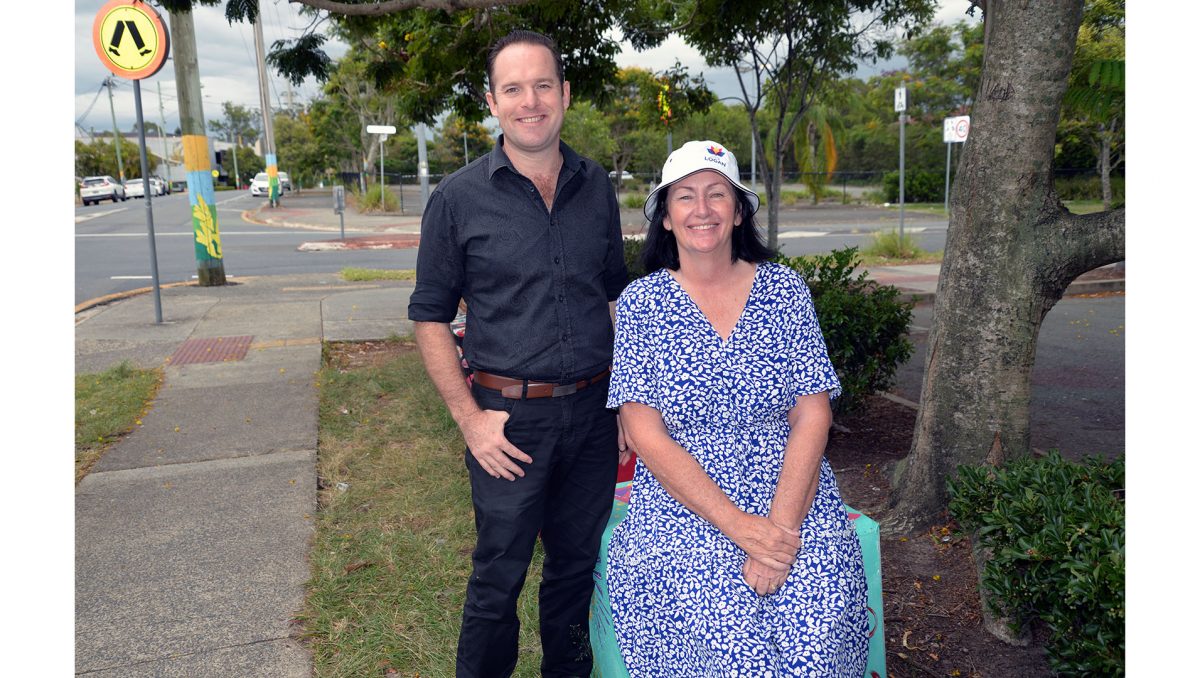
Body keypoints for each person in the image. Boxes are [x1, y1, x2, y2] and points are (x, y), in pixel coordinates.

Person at [407, 30, 630, 678]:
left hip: (592, 419)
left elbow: (613, 299)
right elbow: (428, 314)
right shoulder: (457, 199)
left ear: (564, 93)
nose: (529, 101)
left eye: (541, 85)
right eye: (513, 88)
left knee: (573, 570)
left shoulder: (597, 190)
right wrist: (470, 420)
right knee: (498, 575)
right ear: (492, 101)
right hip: (507, 421)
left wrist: (622, 405)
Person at [605, 140, 870, 675]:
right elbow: (643, 431)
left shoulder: (784, 290)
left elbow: (812, 413)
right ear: (665, 218)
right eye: (685, 197)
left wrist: (781, 532)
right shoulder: (642, 302)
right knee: (720, 631)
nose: (702, 210)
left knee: (816, 630)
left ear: (740, 210)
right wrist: (739, 527)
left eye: (717, 194)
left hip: (788, 490)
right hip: (685, 498)